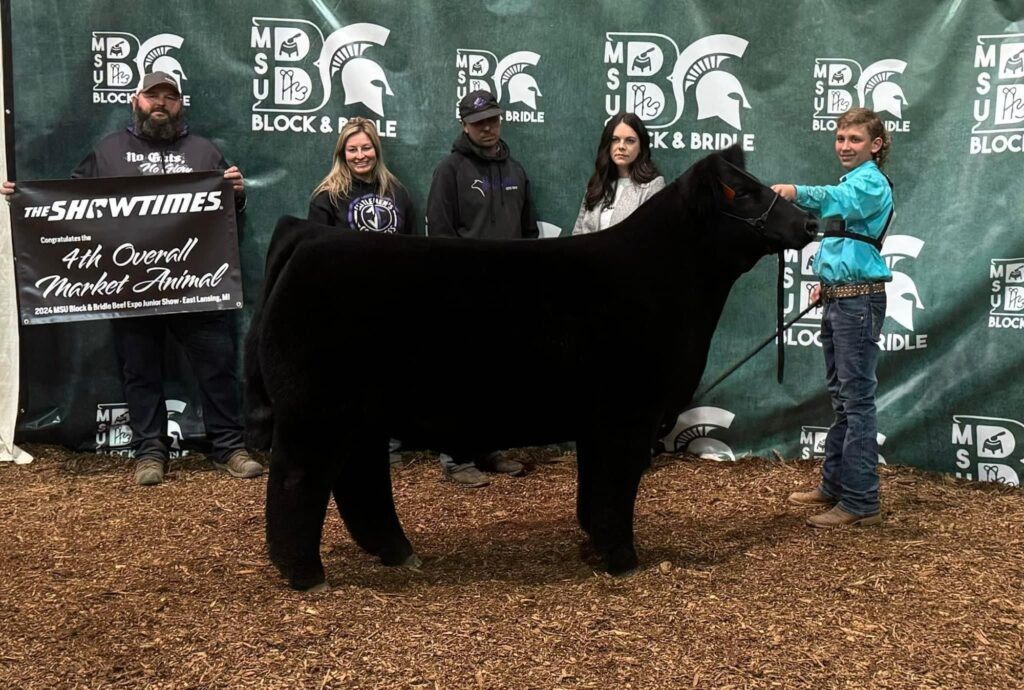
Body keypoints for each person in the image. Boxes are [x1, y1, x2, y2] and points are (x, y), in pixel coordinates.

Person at [4, 71, 262, 486]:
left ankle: (228, 446)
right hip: (129, 287)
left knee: (217, 368)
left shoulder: (204, 152)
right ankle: (150, 451)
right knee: (140, 370)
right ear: (135, 100)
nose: (161, 103)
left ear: (181, 104)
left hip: (198, 285)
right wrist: (27, 200)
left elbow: (229, 213)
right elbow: (68, 203)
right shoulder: (108, 152)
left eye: (169, 97)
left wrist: (237, 192)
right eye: (152, 95)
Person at [771, 107, 894, 529]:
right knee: (843, 399)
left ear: (875, 146)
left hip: (859, 304)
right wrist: (828, 281)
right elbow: (849, 243)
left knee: (857, 402)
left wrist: (793, 190)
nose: (845, 146)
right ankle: (835, 485)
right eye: (841, 139)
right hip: (842, 298)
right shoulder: (856, 180)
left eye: (855, 140)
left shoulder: (870, 184)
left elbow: (835, 201)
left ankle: (861, 501)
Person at [425, 88, 538, 486]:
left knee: (499, 375)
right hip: (464, 294)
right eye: (478, 123)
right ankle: (456, 458)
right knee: (460, 375)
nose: (487, 127)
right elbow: (439, 236)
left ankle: (489, 449)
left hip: (508, 294)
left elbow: (528, 234)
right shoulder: (449, 171)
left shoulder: (517, 171)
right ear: (464, 126)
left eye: (492, 119)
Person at [308, 117, 414, 235]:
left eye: (366, 148)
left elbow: (411, 243)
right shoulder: (327, 197)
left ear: (376, 150)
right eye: (352, 150)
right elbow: (315, 247)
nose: (360, 156)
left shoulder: (397, 193)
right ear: (343, 154)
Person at [572, 112, 665, 235]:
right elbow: (577, 234)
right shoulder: (597, 184)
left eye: (630, 141)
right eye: (615, 140)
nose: (621, 146)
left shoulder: (653, 186)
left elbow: (652, 238)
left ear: (641, 147)